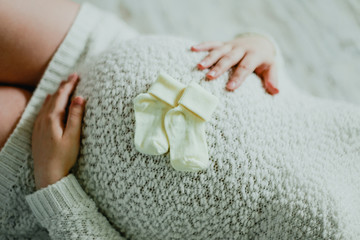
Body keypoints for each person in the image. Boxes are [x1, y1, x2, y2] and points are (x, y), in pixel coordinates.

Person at [1, 0, 360, 239]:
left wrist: (54, 187)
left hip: (49, 170)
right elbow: (300, 113)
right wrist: (262, 49)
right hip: (102, 48)